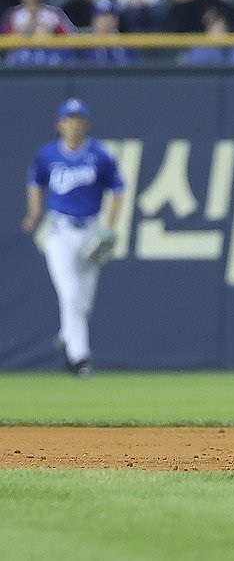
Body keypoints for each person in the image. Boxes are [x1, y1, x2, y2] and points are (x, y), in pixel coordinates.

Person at [22, 98, 126, 377]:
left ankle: (69, 336)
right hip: (59, 231)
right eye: (68, 119)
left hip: (91, 229)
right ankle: (80, 359)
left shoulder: (100, 155)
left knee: (84, 302)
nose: (73, 124)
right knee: (69, 294)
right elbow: (35, 182)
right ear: (59, 124)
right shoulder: (48, 155)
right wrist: (34, 212)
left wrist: (110, 227)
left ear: (86, 124)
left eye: (78, 119)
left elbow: (118, 188)